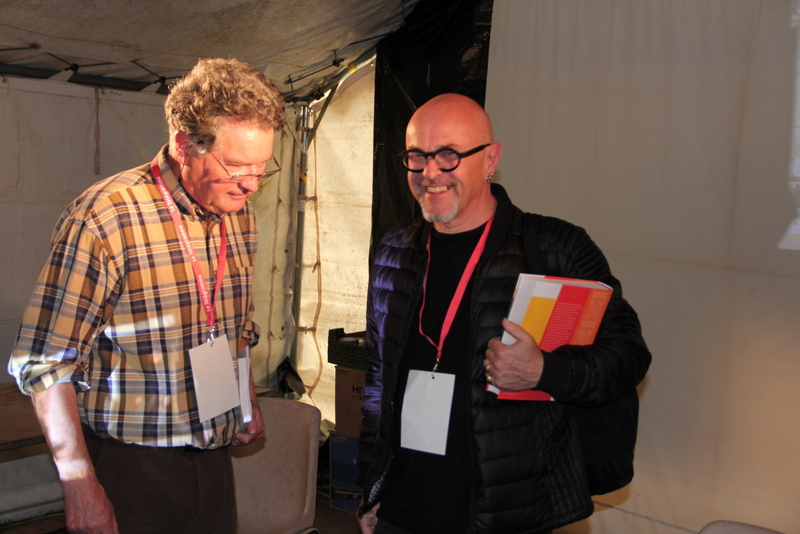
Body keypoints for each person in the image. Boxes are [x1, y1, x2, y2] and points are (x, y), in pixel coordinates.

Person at [8, 57, 285, 534]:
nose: (251, 185)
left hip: (215, 462)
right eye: (237, 166)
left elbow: (235, 326)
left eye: (263, 168)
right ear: (184, 144)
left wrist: (245, 399)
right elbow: (45, 363)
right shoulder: (106, 219)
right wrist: (79, 485)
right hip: (133, 469)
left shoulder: (239, 213)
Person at [356, 93, 651, 534]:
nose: (429, 173)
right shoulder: (393, 251)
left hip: (506, 514)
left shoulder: (554, 249)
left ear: (490, 158)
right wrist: (373, 488)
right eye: (416, 157)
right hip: (403, 509)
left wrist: (546, 371)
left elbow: (628, 355)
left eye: (449, 156)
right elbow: (378, 381)